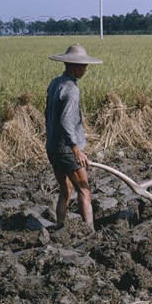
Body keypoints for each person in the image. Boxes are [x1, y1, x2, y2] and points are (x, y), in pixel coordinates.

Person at [45, 44, 103, 231]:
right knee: (84, 190)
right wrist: (76, 149)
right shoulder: (71, 89)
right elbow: (66, 121)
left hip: (52, 147)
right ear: (72, 65)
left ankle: (59, 227)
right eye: (83, 66)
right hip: (67, 150)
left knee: (65, 190)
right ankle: (90, 233)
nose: (85, 70)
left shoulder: (56, 83)